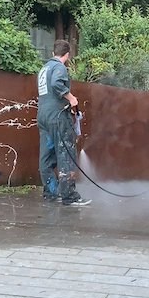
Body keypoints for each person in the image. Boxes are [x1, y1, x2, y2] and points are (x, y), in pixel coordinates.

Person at [36, 39, 91, 206]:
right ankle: (69, 196)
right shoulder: (59, 67)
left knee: (46, 157)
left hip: (44, 117)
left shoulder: (43, 69)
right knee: (66, 155)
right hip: (58, 118)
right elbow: (57, 84)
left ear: (53, 53)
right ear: (67, 55)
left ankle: (51, 193)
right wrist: (71, 98)